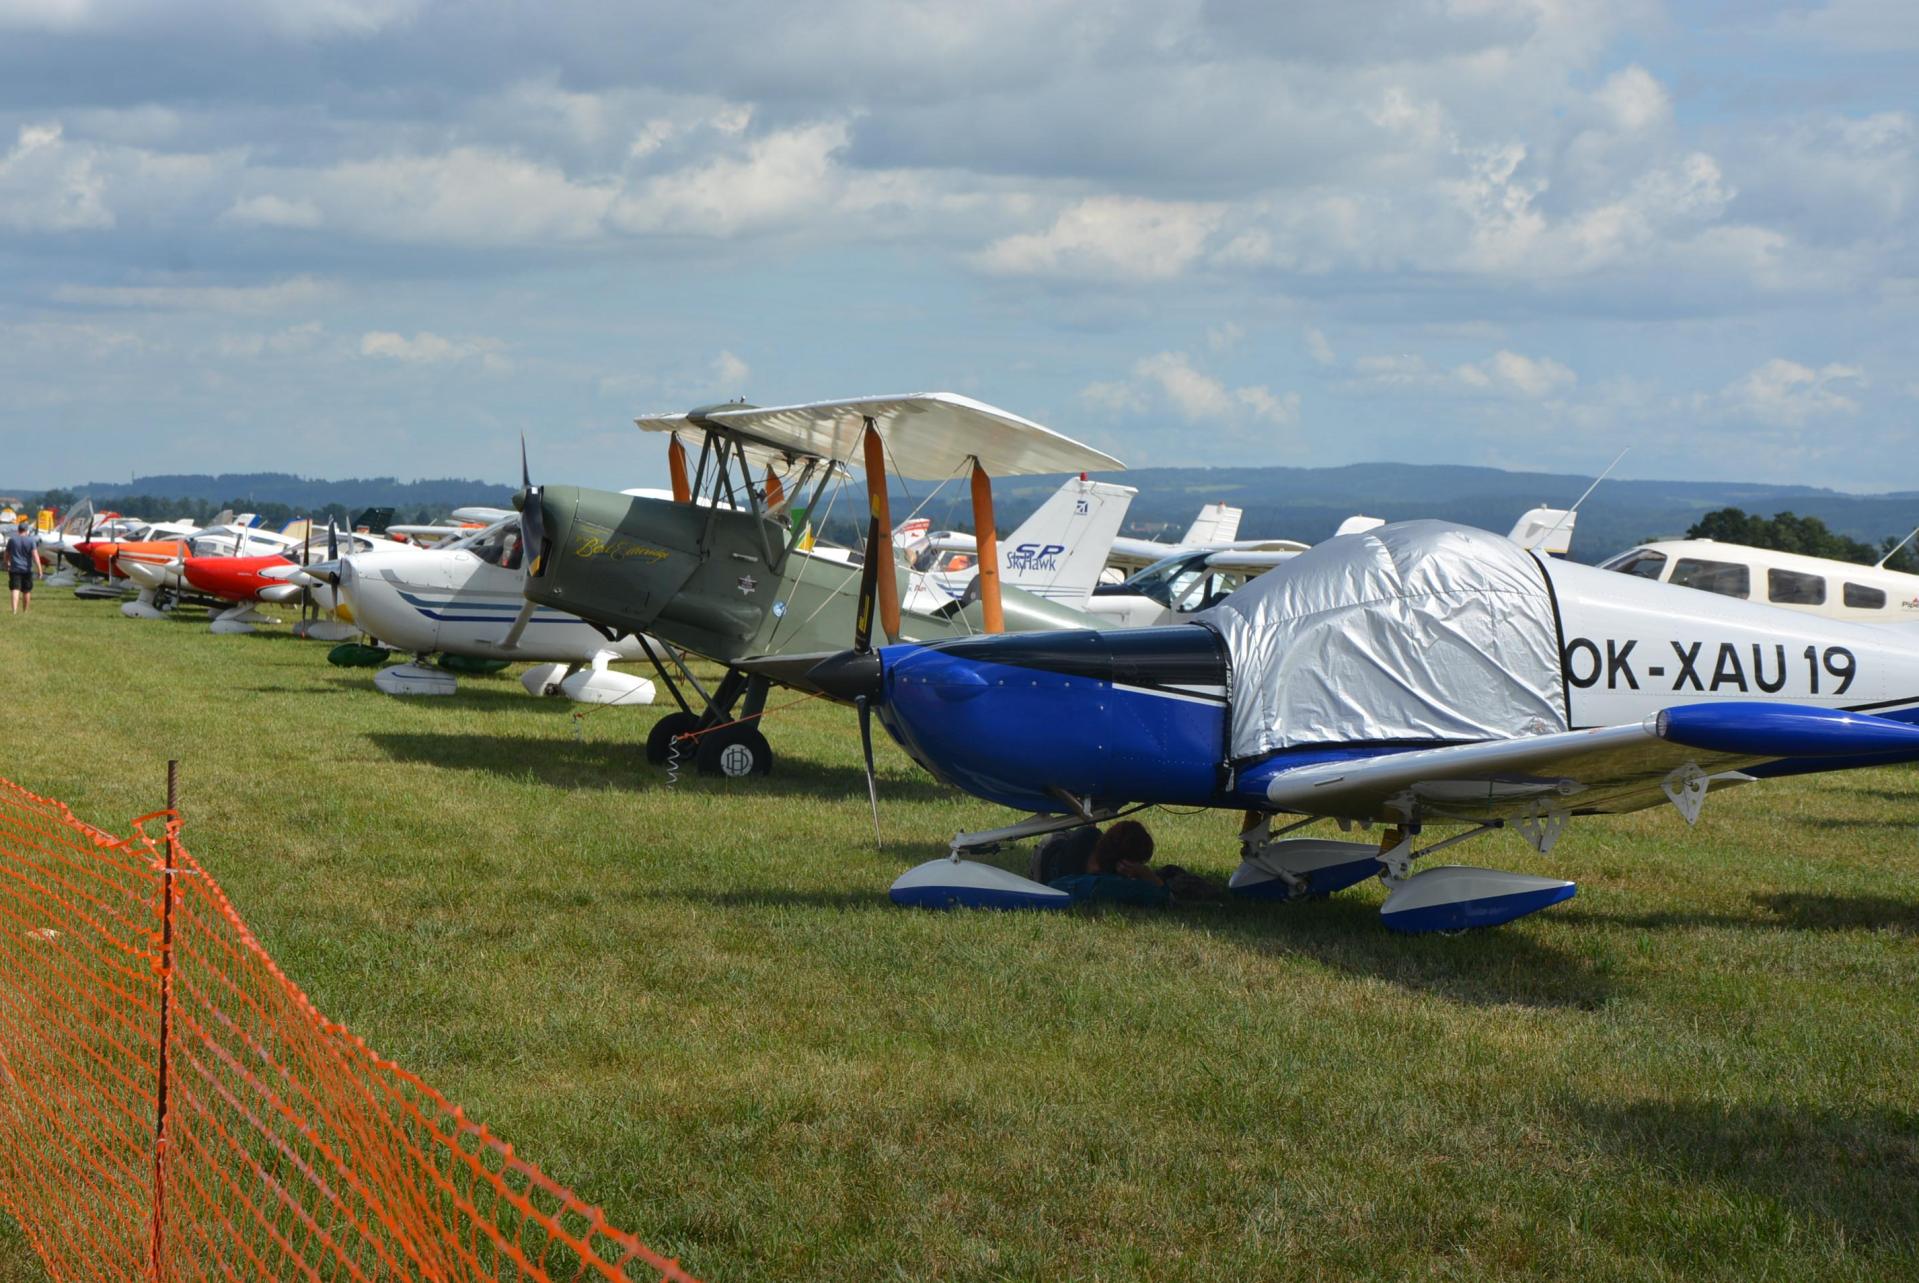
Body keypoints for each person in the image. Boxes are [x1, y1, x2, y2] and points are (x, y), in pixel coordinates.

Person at [1046, 819, 1171, 907]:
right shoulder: (1115, 885)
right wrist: (1147, 874)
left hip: (1059, 845)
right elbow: (1166, 899)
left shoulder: (1089, 838)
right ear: (1126, 865)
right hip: (1050, 849)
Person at [7, 521, 41, 615]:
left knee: (15, 589)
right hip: (27, 569)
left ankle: (14, 611)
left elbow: (7, 554)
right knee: (26, 591)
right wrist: (39, 569)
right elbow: (35, 556)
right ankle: (25, 611)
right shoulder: (31, 541)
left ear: (18, 530)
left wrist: (7, 563)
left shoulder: (12, 540)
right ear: (26, 530)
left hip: (14, 568)